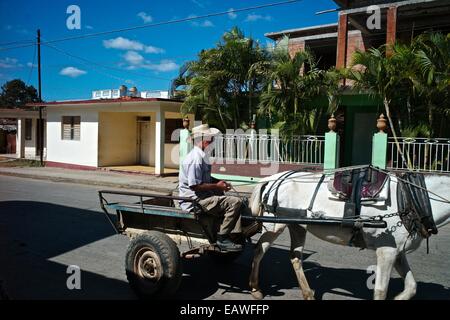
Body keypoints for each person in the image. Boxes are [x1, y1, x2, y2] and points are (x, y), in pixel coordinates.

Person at [179, 124, 243, 252]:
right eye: (211, 139)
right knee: (235, 202)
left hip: (202, 196)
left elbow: (204, 179)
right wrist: (216, 186)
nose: (212, 141)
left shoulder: (202, 156)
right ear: (205, 140)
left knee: (230, 197)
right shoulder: (195, 158)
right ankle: (222, 237)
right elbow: (195, 185)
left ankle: (229, 231)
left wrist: (219, 183)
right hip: (194, 201)